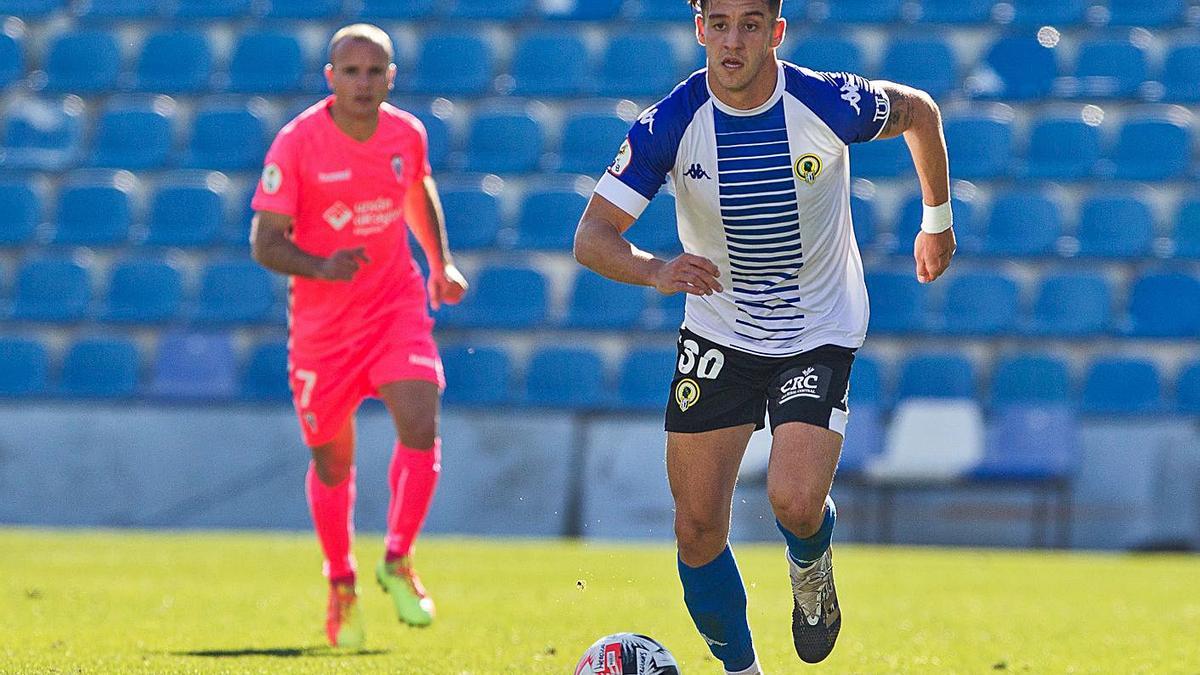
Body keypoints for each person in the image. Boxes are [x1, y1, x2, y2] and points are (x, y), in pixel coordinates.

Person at [573, 0, 955, 671]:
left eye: (751, 24)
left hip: (818, 327)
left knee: (796, 500)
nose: (732, 40)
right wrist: (658, 270)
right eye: (718, 23)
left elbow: (920, 111)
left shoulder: (828, 102)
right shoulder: (669, 123)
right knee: (695, 526)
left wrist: (937, 219)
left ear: (776, 33)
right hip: (720, 332)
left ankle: (812, 567)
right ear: (700, 30)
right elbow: (593, 237)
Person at [250, 23, 468, 649]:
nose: (364, 83)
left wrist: (439, 262)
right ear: (330, 79)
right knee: (331, 459)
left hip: (393, 304)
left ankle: (397, 558)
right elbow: (264, 242)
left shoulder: (406, 133)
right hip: (322, 330)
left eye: (375, 72)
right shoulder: (296, 144)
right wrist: (322, 266)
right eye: (351, 72)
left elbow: (415, 188)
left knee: (421, 420)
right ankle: (341, 581)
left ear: (391, 77)